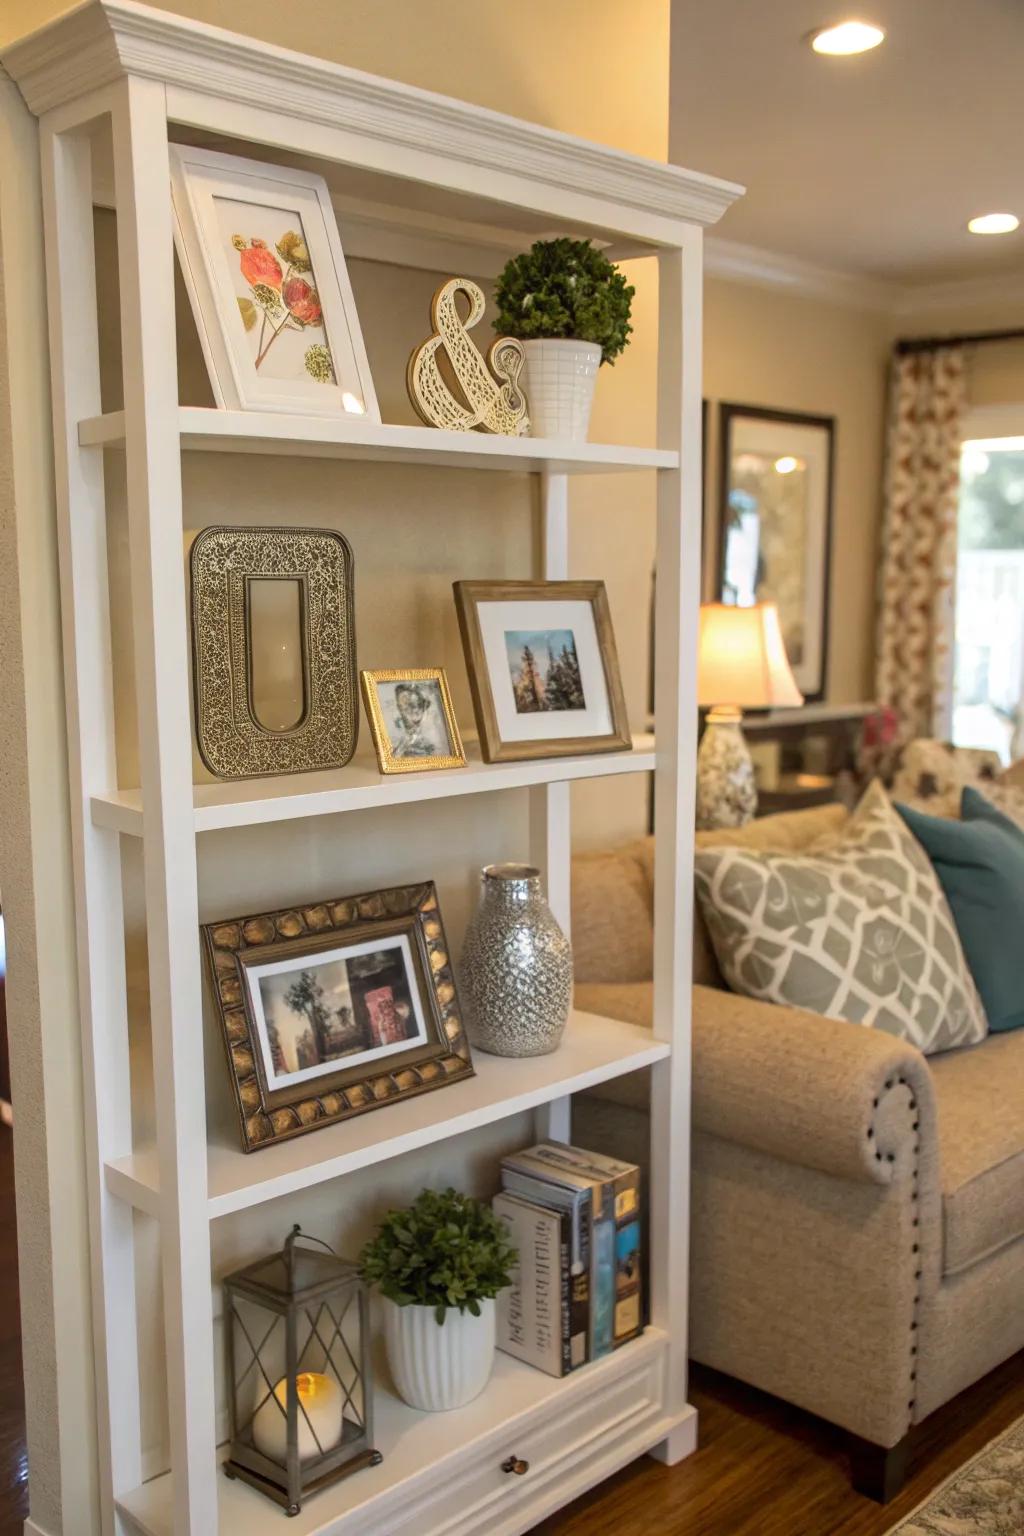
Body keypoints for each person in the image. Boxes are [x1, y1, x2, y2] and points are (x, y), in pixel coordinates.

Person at [388, 682, 444, 757]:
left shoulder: (434, 736)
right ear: (399, 708)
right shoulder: (394, 738)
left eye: (419, 704)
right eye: (408, 705)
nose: (414, 710)